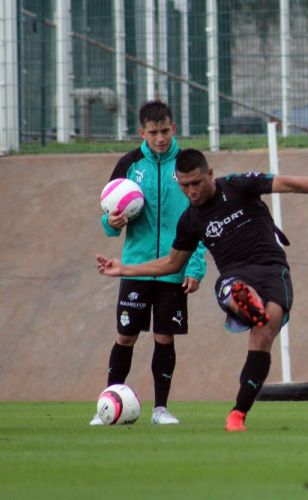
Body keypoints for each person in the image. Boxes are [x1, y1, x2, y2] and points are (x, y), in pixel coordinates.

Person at [97, 148, 308, 432]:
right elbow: (173, 263)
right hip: (234, 275)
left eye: (197, 183)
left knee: (264, 331)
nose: (192, 191)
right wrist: (124, 269)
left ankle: (238, 413)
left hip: (273, 271)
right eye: (185, 186)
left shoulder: (237, 185)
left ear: (210, 174)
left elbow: (287, 183)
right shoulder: (190, 220)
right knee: (236, 290)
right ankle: (245, 302)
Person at [90, 100, 207, 426]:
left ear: (174, 127)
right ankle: (108, 402)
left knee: (164, 337)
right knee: (125, 335)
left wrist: (196, 265)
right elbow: (108, 213)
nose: (160, 138)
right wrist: (110, 224)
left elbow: (201, 216)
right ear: (142, 131)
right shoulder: (129, 164)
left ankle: (161, 409)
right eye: (154, 132)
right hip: (137, 267)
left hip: (174, 267)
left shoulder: (187, 164)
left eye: (165, 131)